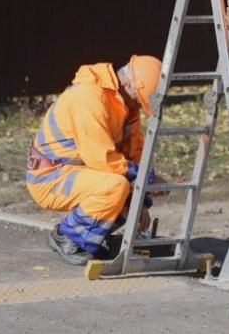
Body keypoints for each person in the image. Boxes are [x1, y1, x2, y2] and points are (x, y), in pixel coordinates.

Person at [26, 55, 162, 265]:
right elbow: (102, 158)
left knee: (126, 188)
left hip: (75, 171)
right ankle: (67, 236)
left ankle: (92, 237)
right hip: (50, 177)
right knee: (115, 186)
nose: (138, 108)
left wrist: (141, 199)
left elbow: (134, 153)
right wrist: (145, 180)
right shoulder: (89, 97)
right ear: (128, 84)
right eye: (138, 101)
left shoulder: (125, 105)